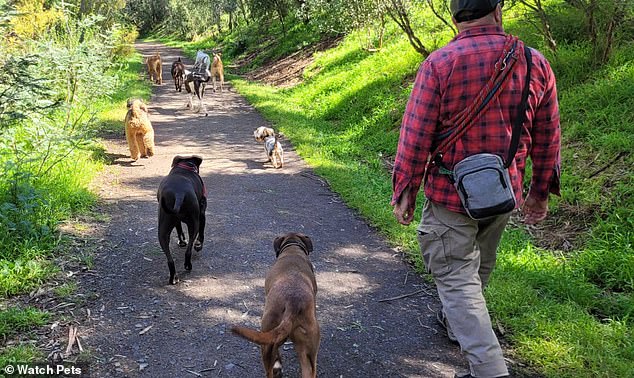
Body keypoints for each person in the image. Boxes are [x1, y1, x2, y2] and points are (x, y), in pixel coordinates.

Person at [391, 0, 561, 377]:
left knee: (457, 282)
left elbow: (416, 136)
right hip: (502, 196)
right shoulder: (535, 63)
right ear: (498, 11)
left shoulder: (439, 64)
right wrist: (539, 192)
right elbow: (548, 136)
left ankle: (490, 370)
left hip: (451, 199)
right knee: (478, 269)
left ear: (454, 18)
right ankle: (457, 327)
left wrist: (406, 188)